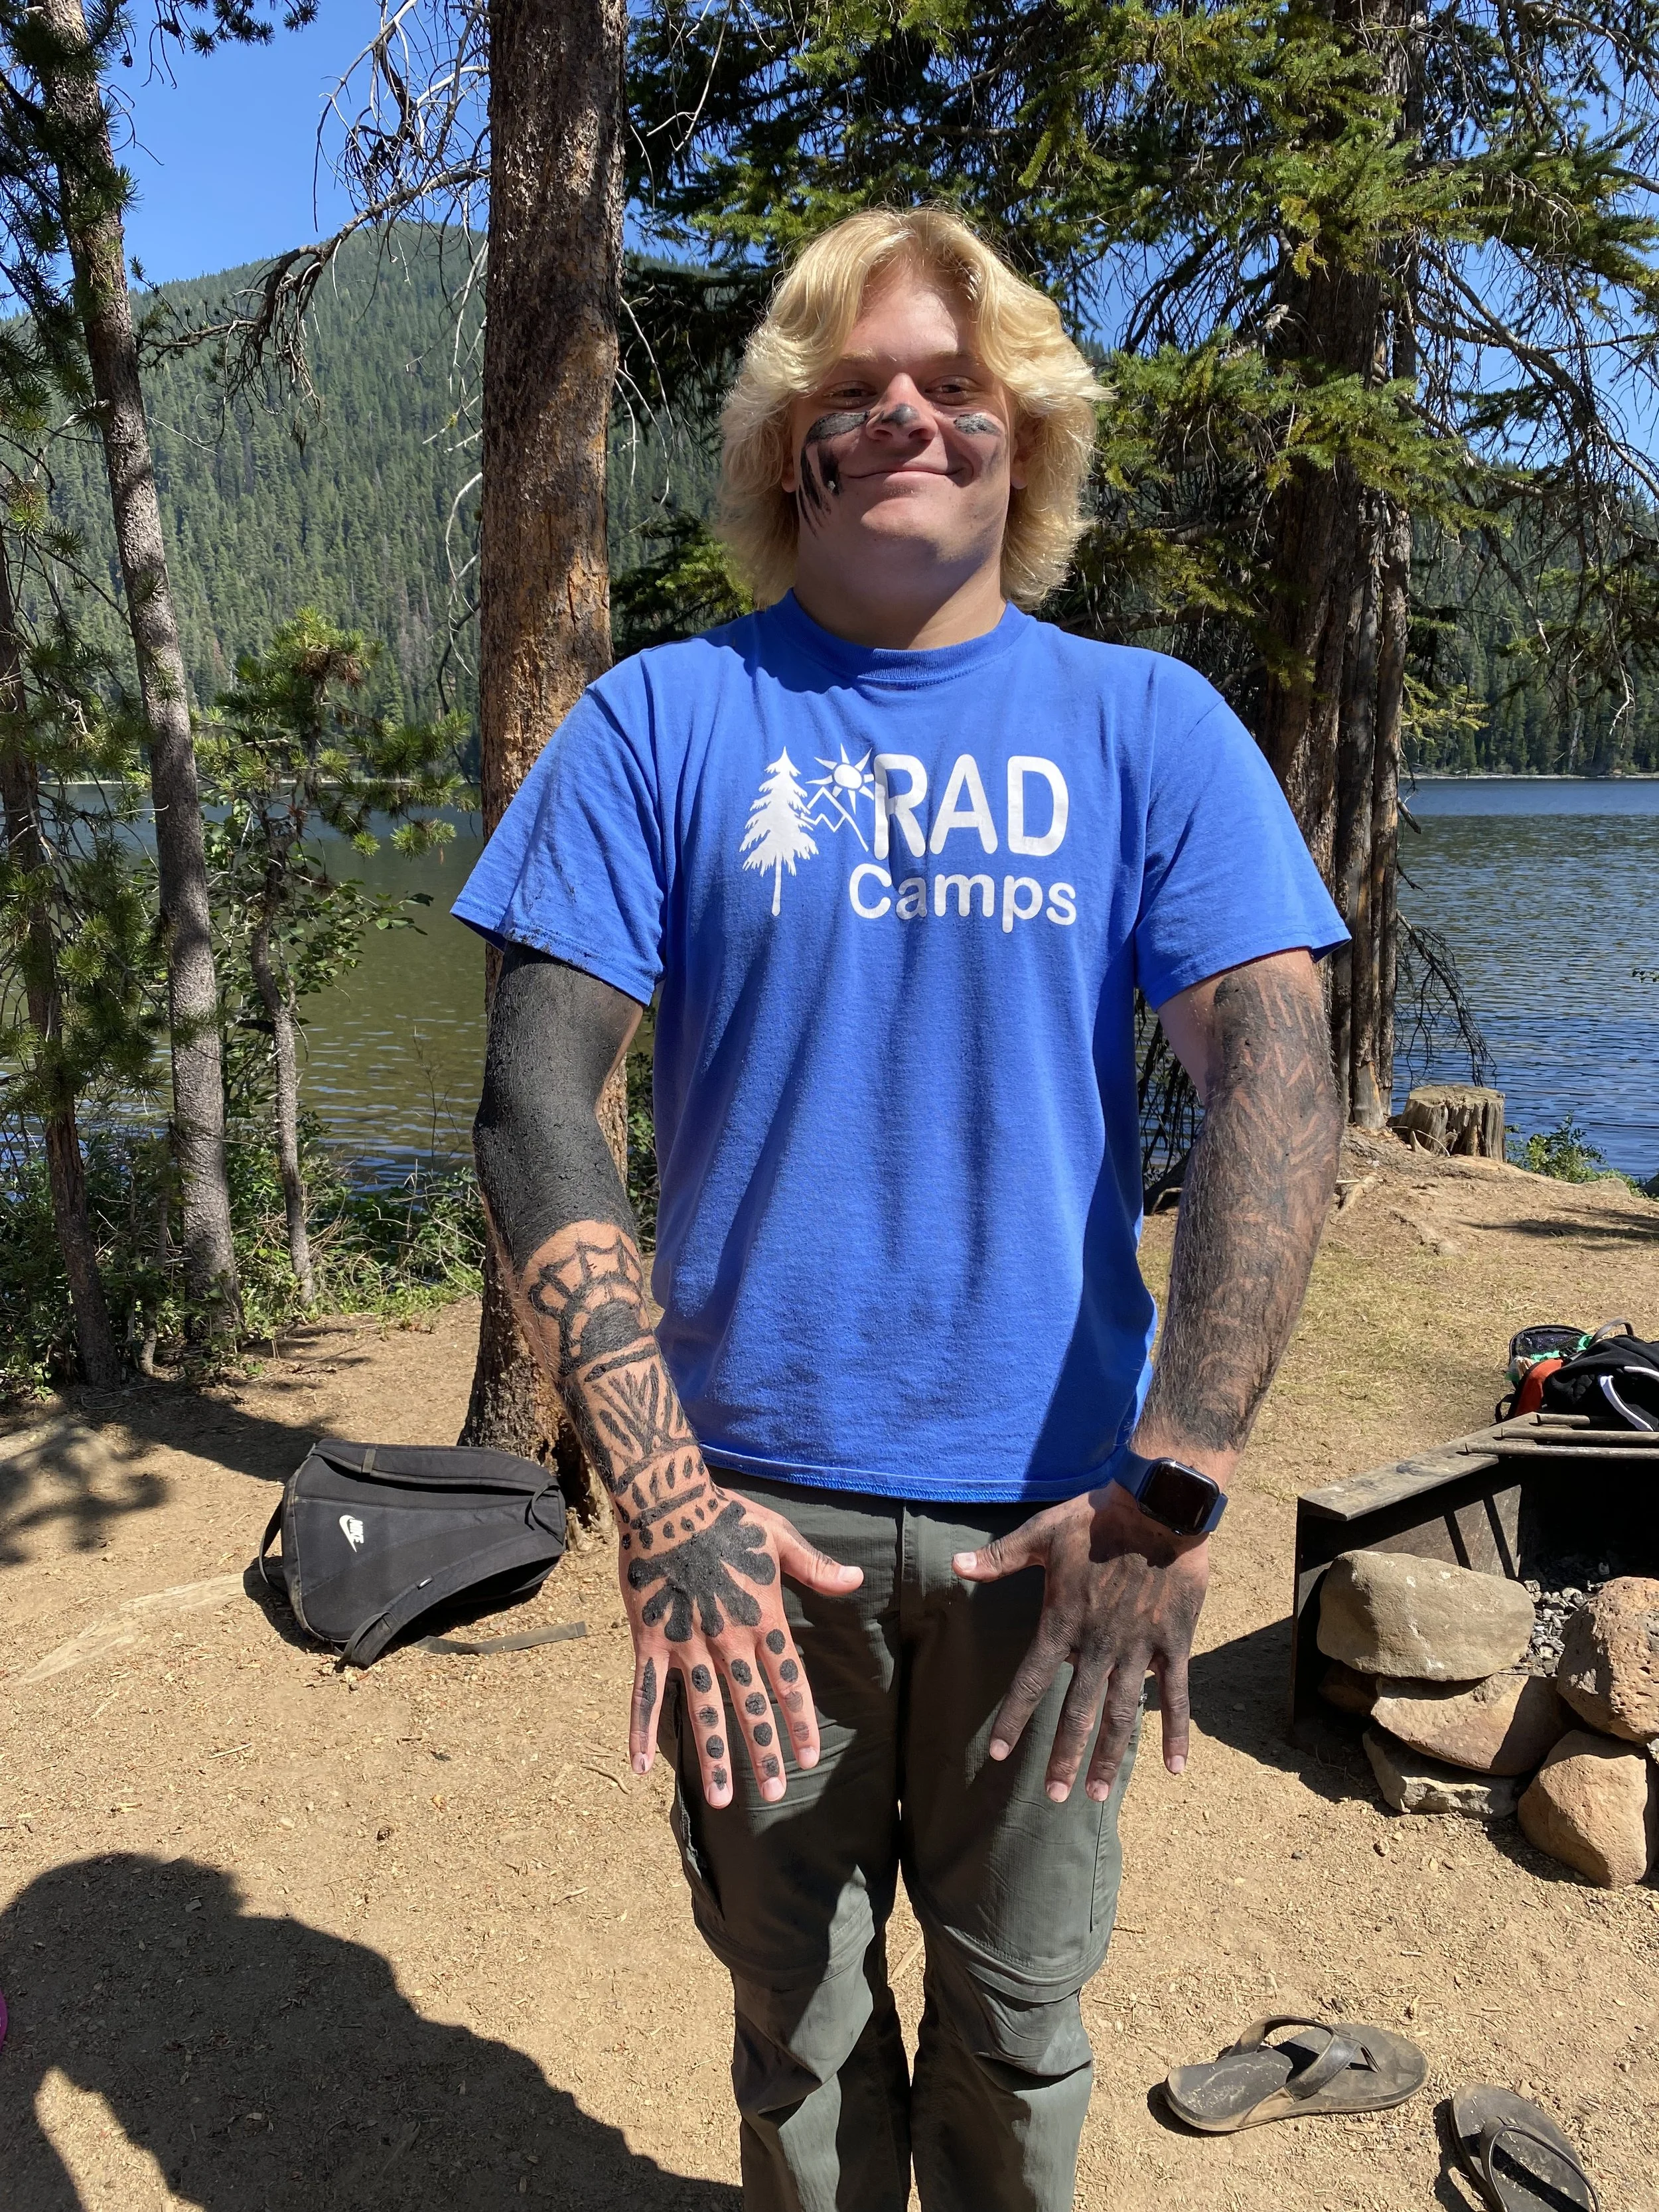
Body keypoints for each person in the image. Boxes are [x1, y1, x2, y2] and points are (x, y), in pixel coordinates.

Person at [455, 205, 1346, 2212]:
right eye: (854, 391)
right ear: (792, 448)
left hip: (1062, 1518)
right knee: (802, 2027)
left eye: (957, 385)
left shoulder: (1147, 728)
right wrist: (659, 1497)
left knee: (1020, 2025)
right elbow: (530, 1101)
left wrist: (1179, 1484)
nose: (909, 420)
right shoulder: (661, 724)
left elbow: (1278, 1077)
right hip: (750, 1518)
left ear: (1029, 435)